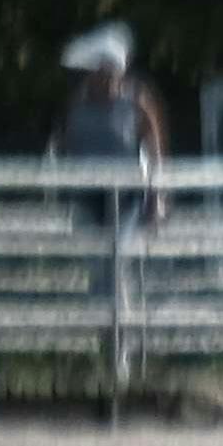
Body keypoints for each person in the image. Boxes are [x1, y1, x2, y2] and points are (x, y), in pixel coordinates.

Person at [51, 25, 170, 331]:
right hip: (88, 197)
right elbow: (62, 146)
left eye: (112, 72)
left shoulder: (137, 102)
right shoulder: (76, 102)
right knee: (96, 267)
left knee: (118, 262)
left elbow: (154, 151)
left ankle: (123, 338)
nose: (106, 79)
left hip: (127, 196)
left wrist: (156, 197)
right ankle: (103, 335)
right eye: (101, 71)